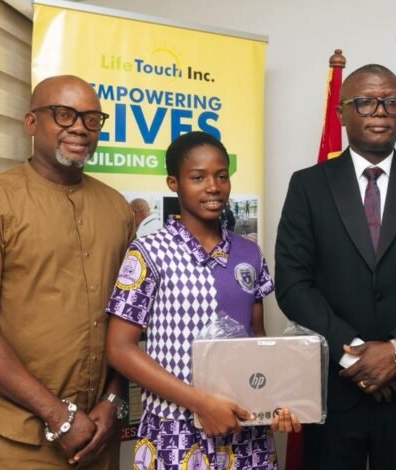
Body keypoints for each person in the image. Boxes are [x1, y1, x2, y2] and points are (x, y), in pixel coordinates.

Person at [275, 64, 396, 469]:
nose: (380, 111)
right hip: (335, 388)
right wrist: (357, 356)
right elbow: (293, 283)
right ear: (342, 113)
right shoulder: (308, 185)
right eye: (365, 102)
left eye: (391, 102)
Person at [0, 75, 134, 469]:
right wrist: (58, 416)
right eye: (64, 114)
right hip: (20, 442)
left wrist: (114, 400)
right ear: (31, 123)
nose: (79, 126)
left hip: (99, 437)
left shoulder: (117, 209)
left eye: (91, 118)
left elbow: (126, 318)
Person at [105, 131, 300, 470]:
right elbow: (120, 349)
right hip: (175, 431)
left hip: (244, 431)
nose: (213, 186)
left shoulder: (248, 252)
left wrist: (272, 403)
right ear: (173, 183)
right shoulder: (149, 252)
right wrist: (200, 402)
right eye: (198, 177)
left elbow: (257, 341)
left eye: (221, 175)